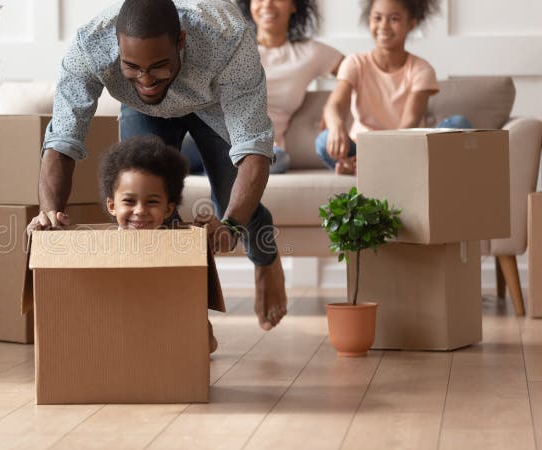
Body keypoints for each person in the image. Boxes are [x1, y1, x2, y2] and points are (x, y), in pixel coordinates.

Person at [26, 0, 288, 331]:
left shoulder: (229, 39)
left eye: (159, 66)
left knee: (229, 199)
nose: (147, 79)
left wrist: (232, 226)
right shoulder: (89, 47)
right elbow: (62, 142)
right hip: (145, 111)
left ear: (181, 40)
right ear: (116, 46)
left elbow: (254, 151)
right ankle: (185, 309)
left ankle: (266, 261)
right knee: (145, 202)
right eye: (132, 67)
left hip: (215, 103)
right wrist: (49, 212)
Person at [184, 0, 343, 174]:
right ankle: (216, 168)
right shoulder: (231, 44)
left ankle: (214, 170)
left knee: (279, 160)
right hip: (212, 137)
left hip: (263, 147)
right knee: (166, 152)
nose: (267, 4)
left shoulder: (310, 52)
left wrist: (333, 107)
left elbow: (355, 70)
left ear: (294, 5)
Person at [316, 0, 471, 175]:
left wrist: (382, 156)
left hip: (404, 147)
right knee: (323, 140)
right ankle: (365, 167)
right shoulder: (354, 63)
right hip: (361, 150)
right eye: (377, 18)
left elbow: (409, 122)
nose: (384, 26)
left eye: (394, 19)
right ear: (369, 21)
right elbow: (333, 106)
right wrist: (337, 128)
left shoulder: (421, 69)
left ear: (411, 24)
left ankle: (368, 170)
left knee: (459, 124)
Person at [99, 135, 219, 352]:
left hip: (163, 328)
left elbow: (205, 343)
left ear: (168, 209)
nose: (140, 211)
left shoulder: (177, 249)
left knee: (203, 342)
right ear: (111, 206)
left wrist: (203, 236)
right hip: (118, 328)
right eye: (129, 201)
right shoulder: (102, 248)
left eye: (152, 202)